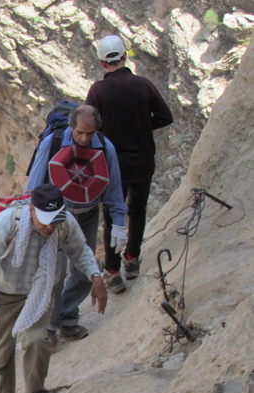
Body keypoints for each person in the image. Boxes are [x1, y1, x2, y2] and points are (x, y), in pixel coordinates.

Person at [0, 183, 107, 393]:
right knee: (1, 350)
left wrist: (96, 277)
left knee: (37, 340)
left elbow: (80, 251)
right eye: (45, 220)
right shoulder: (5, 224)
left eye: (54, 221)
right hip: (4, 292)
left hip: (41, 289)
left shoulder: (63, 223)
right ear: (31, 210)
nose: (49, 226)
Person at [25, 105, 127, 348]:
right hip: (57, 216)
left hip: (87, 214)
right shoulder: (53, 143)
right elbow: (34, 186)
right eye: (80, 133)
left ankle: (67, 318)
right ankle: (48, 327)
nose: (84, 138)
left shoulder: (104, 147)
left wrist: (120, 224)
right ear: (71, 128)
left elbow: (113, 189)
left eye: (89, 133)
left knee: (84, 270)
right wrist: (34, 220)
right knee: (54, 273)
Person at [86, 35, 174, 291]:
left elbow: (87, 124)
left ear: (103, 63)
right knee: (138, 209)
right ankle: (132, 259)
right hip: (143, 160)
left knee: (113, 215)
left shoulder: (98, 91)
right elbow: (165, 116)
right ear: (125, 56)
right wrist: (144, 126)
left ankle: (112, 271)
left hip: (113, 164)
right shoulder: (143, 85)